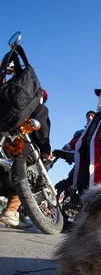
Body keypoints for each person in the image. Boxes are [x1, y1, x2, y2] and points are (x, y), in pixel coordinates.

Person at [0, 89, 52, 228]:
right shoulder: (39, 107)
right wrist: (46, 150)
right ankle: (11, 212)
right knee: (27, 181)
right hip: (24, 148)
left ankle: (14, 213)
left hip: (5, 144)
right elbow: (42, 130)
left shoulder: (12, 104)